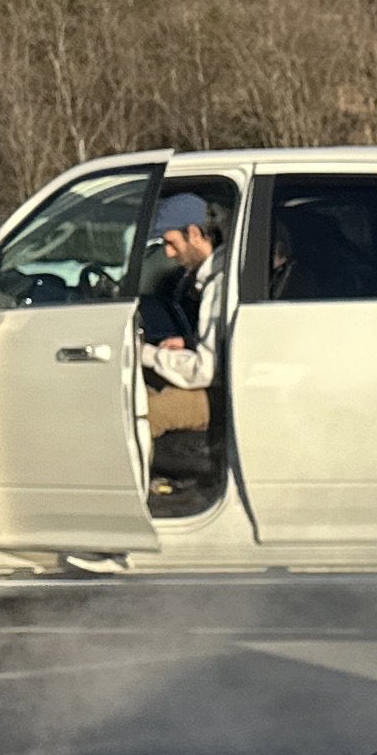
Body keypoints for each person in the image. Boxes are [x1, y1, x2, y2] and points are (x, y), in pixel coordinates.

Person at [136, 190, 228, 516]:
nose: (168, 253)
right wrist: (187, 345)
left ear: (194, 233)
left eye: (171, 243)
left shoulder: (220, 284)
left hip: (221, 391)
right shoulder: (214, 277)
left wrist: (145, 354)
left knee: (146, 410)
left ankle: (141, 500)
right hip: (221, 380)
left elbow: (205, 371)